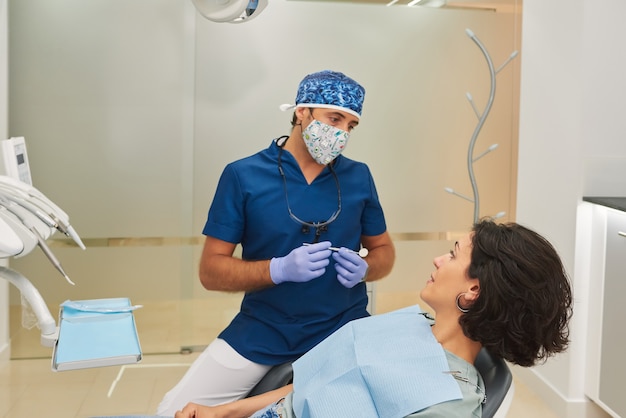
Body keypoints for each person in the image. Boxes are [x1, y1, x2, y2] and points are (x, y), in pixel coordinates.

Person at [157, 70, 396, 416]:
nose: (342, 133)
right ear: (302, 112)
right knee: (172, 412)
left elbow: (384, 252)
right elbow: (211, 271)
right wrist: (278, 269)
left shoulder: (358, 176)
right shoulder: (243, 175)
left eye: (351, 125)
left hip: (341, 329)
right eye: (335, 119)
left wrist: (366, 269)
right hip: (263, 329)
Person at [173, 220, 573, 418]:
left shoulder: (447, 401)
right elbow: (310, 388)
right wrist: (222, 411)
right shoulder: (413, 321)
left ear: (473, 291)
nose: (438, 259)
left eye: (453, 254)